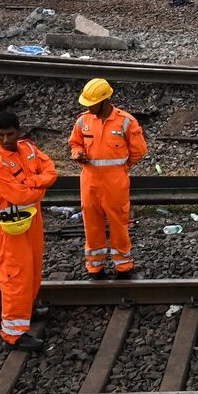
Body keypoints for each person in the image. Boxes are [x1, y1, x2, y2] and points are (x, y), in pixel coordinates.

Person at [0, 111, 57, 351]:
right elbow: (20, 195)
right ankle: (13, 334)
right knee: (15, 277)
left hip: (31, 221)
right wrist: (39, 187)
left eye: (10, 134)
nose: (5, 139)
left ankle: (28, 310)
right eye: (1, 135)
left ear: (19, 131)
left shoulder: (27, 148)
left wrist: (32, 182)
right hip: (10, 228)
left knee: (33, 269)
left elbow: (50, 171)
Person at [69, 79, 147, 279]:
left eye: (91, 103)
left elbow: (139, 151)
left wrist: (121, 168)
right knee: (91, 224)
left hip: (115, 183)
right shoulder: (83, 121)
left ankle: (123, 267)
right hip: (89, 181)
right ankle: (95, 267)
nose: (87, 106)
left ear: (105, 101)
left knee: (118, 224)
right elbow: (75, 143)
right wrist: (77, 153)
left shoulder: (126, 121)